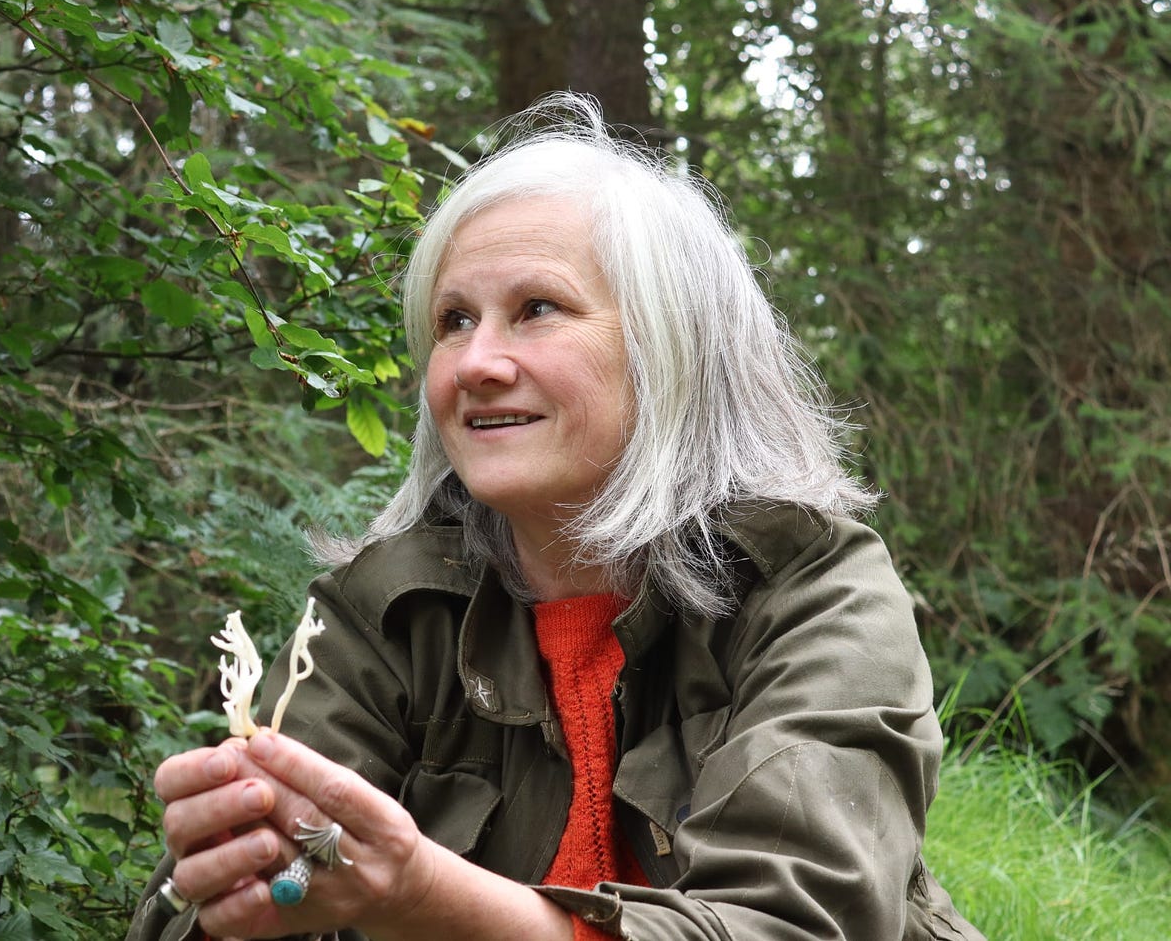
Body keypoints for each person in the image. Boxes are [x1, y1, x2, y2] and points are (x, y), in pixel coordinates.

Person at [126, 92, 985, 941]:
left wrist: (421, 896)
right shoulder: (383, 614)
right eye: (453, 320)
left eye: (538, 309)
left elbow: (796, 925)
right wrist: (243, 883)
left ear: (671, 350)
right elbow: (193, 912)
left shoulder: (816, 594)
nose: (475, 363)